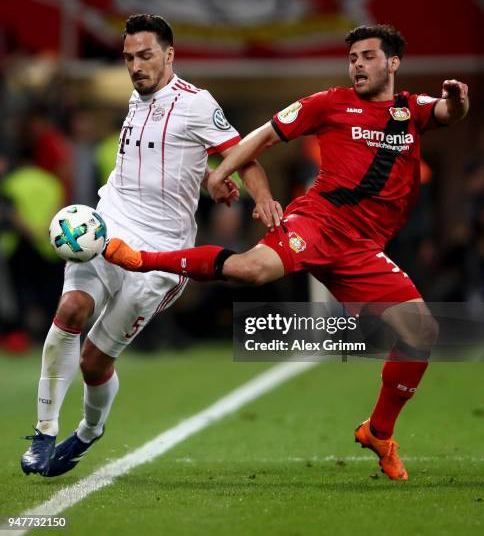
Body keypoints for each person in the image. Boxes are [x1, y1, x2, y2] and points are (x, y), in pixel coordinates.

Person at [105, 24, 470, 480]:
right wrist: (223, 173)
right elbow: (263, 135)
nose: (357, 64)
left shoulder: (409, 110)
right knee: (252, 270)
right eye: (353, 57)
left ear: (392, 63)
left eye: (368, 56)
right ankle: (142, 258)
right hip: (317, 223)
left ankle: (379, 432)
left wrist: (457, 98)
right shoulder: (328, 103)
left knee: (421, 333)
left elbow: (450, 113)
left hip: (362, 248)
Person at [21, 13, 281, 477]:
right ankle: (42, 433)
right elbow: (162, 157)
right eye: (128, 58)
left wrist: (259, 199)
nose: (136, 66)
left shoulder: (197, 103)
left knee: (94, 361)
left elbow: (244, 153)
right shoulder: (135, 99)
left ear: (169, 55)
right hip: (109, 225)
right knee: (72, 309)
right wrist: (206, 175)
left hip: (160, 254)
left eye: (145, 56)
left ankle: (87, 431)